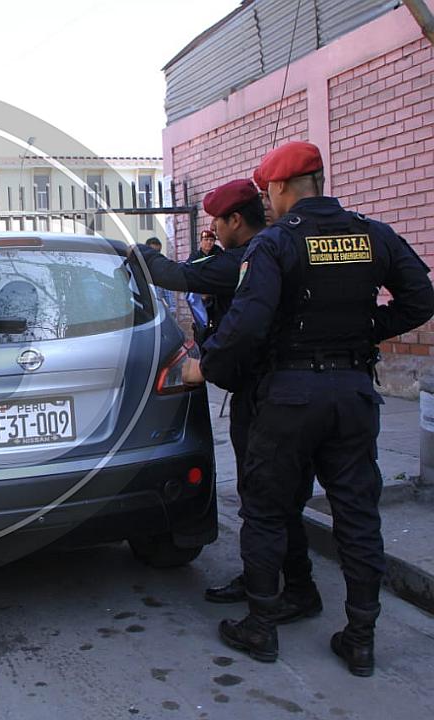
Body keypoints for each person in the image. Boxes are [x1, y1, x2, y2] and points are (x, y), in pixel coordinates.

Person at [184, 141, 434, 675]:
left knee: (268, 509)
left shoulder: (275, 244)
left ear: (279, 188)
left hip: (290, 397)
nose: (266, 203)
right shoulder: (373, 233)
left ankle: (260, 626)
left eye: (268, 193)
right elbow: (420, 299)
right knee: (357, 515)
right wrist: (369, 332)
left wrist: (207, 368)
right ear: (319, 180)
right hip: (353, 393)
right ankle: (361, 638)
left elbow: (246, 326)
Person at [133, 179, 321, 617]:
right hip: (292, 387)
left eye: (217, 221)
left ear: (236, 220)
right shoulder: (269, 250)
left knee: (263, 496)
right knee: (281, 494)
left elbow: (178, 276)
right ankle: (285, 583)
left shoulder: (246, 260)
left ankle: (276, 593)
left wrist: (138, 253)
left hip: (263, 395)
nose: (213, 229)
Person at [144, 237, 174, 309]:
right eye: (153, 252)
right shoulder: (138, 268)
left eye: (158, 252)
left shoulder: (163, 269)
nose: (155, 255)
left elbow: (169, 295)